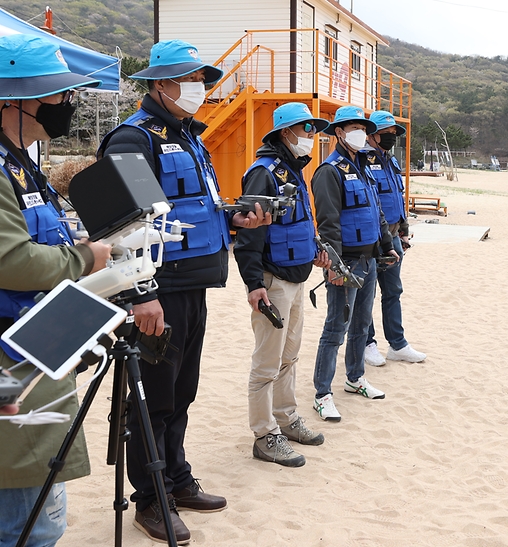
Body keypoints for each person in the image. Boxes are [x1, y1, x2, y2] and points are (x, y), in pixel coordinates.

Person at [98, 39, 269, 544]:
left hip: (193, 285)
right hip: (158, 291)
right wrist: (141, 293)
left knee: (182, 392)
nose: (198, 88)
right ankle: (150, 499)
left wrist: (233, 220)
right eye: (188, 79)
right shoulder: (133, 139)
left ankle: (175, 478)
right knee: (152, 398)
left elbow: (193, 209)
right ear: (158, 84)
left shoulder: (190, 137)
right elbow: (120, 224)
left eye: (201, 79)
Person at [0, 34, 111, 546]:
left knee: (37, 510)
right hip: (12, 362)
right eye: (56, 94)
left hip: (37, 349)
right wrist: (86, 258)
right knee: (28, 525)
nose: (66, 104)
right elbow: (13, 261)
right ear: (13, 98)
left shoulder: (19, 162)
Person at [234, 102, 332, 467]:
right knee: (267, 363)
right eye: (305, 130)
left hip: (296, 279)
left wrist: (315, 250)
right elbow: (248, 237)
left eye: (312, 130)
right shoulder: (263, 173)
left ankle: (287, 418)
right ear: (284, 133)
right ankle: (264, 435)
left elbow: (300, 225)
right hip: (272, 282)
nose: (311, 137)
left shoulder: (293, 170)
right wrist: (253, 284)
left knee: (289, 357)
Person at [311, 106, 397, 422]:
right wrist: (333, 265)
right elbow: (328, 223)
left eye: (364, 127)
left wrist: (387, 246)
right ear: (339, 132)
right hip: (345, 262)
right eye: (354, 127)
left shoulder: (363, 166)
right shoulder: (329, 171)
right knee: (336, 327)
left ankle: (355, 377)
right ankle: (322, 393)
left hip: (369, 258)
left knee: (362, 323)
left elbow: (377, 211)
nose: (361, 133)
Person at [361, 111, 426, 367]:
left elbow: (397, 198)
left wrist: (403, 230)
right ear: (371, 134)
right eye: (385, 133)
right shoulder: (362, 160)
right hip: (373, 240)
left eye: (393, 134)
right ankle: (367, 343)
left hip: (394, 236)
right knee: (368, 293)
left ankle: (397, 345)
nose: (390, 137)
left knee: (393, 291)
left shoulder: (392, 161)